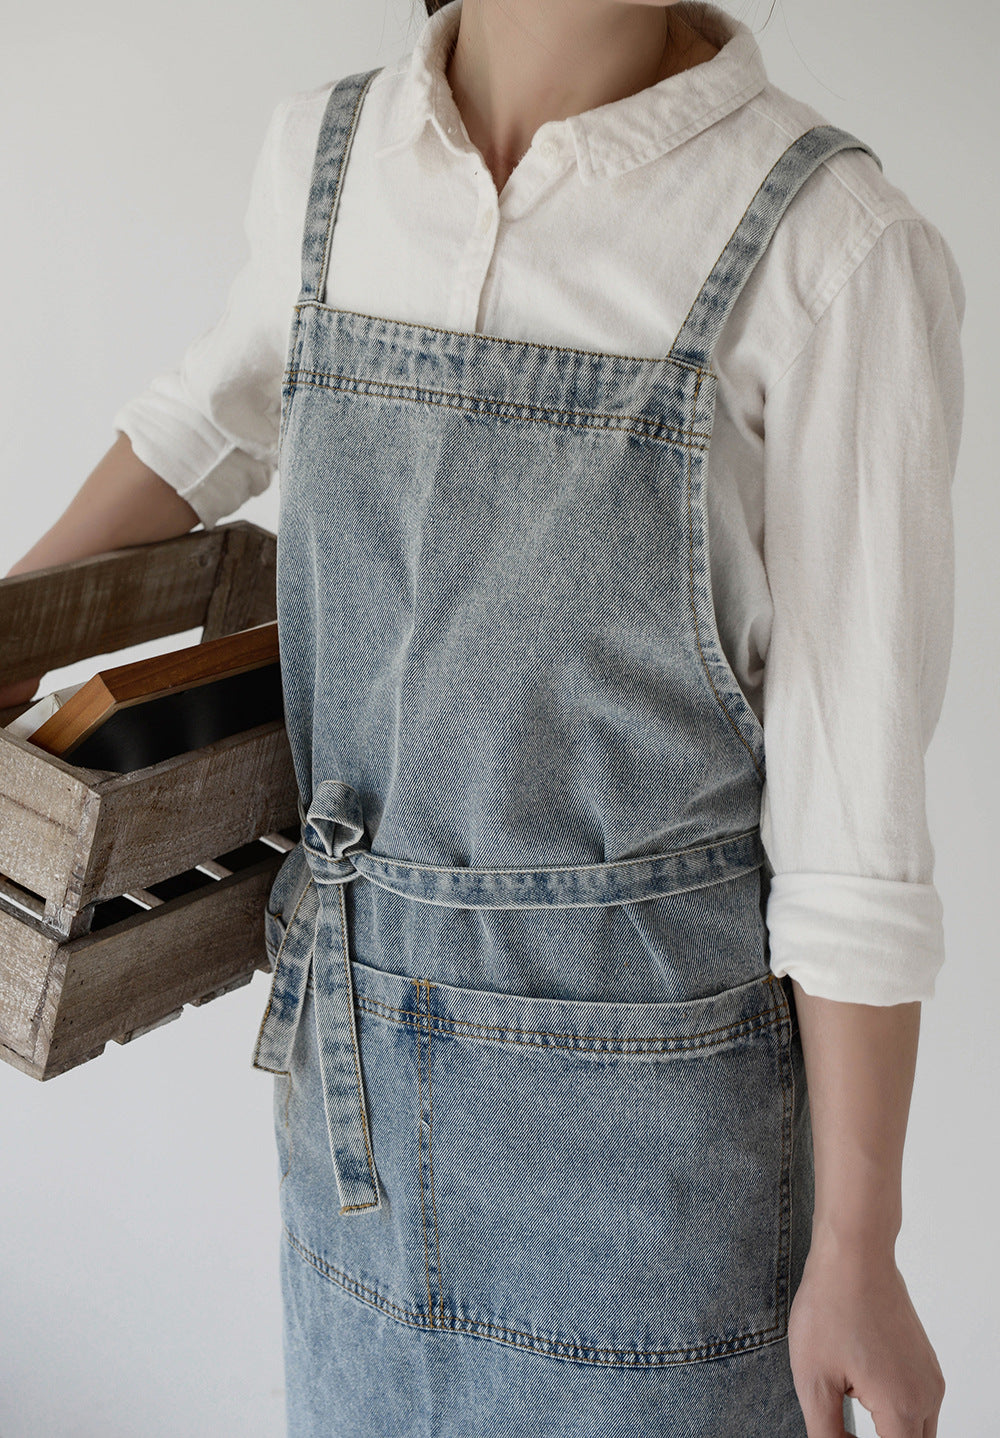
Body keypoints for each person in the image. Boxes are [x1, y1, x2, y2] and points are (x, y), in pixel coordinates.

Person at [2, 1, 964, 1433]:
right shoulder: (330, 166)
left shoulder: (829, 249)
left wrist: (859, 1244)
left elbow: (853, 832)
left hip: (657, 1184)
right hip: (350, 1121)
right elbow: (202, 421)